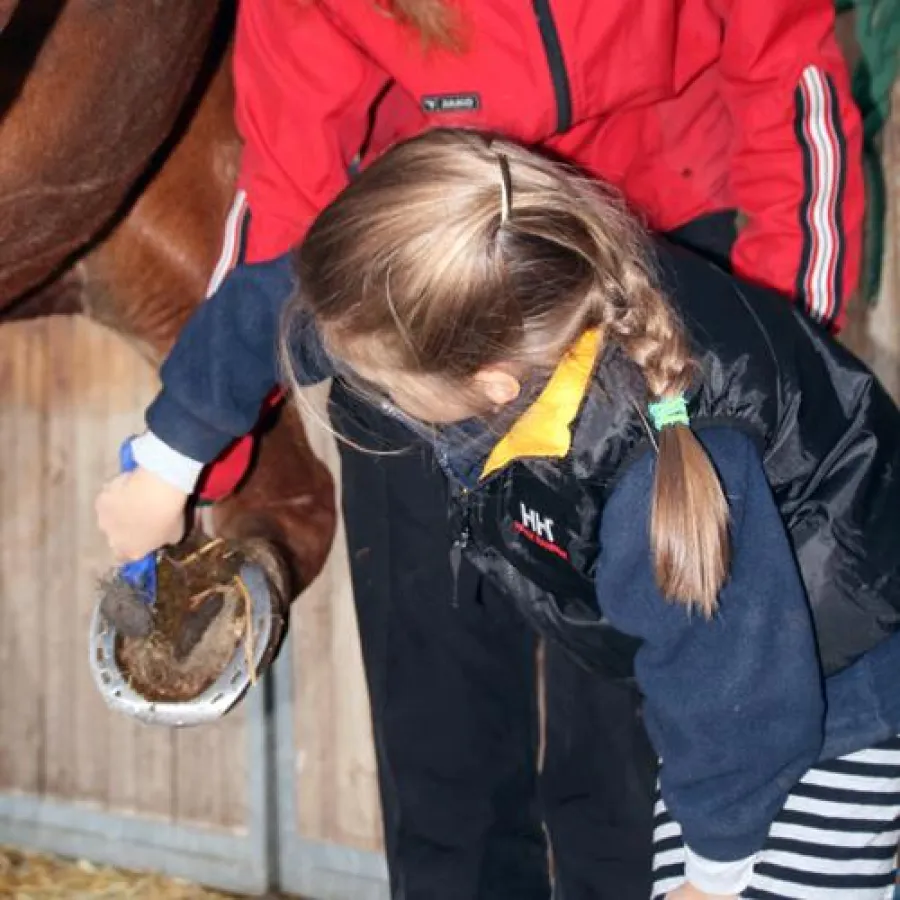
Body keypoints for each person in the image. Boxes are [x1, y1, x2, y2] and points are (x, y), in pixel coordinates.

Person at [97, 2, 865, 898]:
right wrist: (177, 465)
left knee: (635, 727)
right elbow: (288, 229)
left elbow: (787, 72)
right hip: (429, 269)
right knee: (439, 720)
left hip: (663, 268)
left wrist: (767, 372)